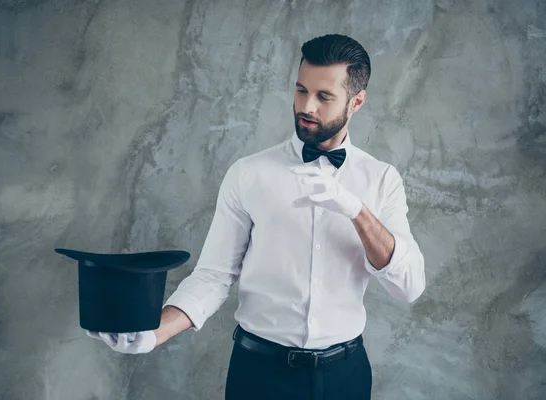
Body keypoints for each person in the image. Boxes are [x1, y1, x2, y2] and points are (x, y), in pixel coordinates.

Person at [88, 33, 426, 400]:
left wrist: (355, 210)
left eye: (324, 96)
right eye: (300, 91)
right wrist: (155, 334)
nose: (306, 106)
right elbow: (214, 276)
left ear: (356, 101)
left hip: (345, 375)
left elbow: (409, 286)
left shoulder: (381, 179)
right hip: (260, 374)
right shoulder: (248, 174)